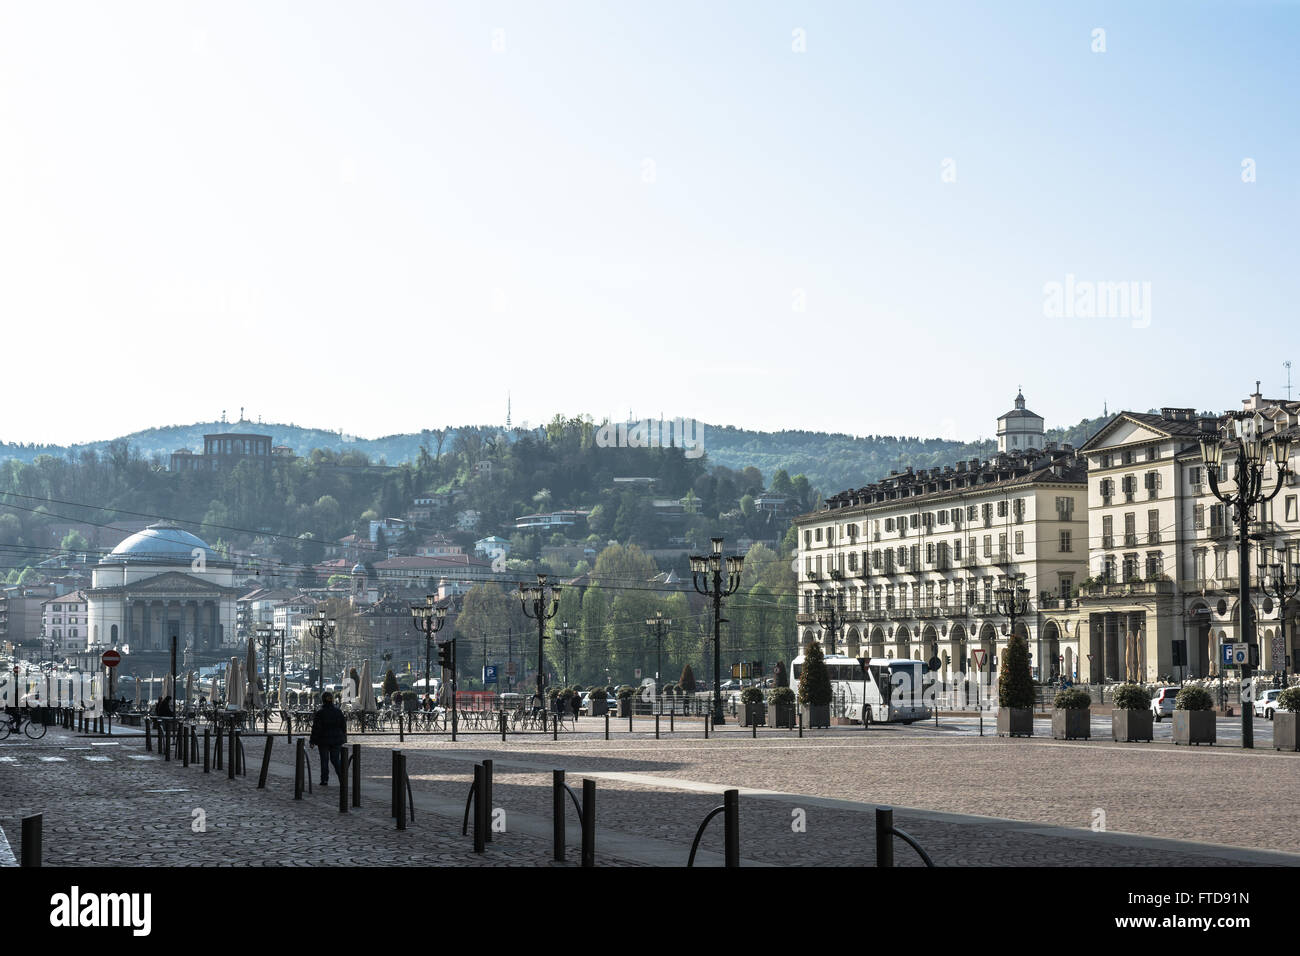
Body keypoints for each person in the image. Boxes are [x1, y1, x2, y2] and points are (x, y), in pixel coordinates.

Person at [309, 691, 347, 786]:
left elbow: (316, 728)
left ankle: (324, 779)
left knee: (324, 760)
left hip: (323, 739)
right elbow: (343, 726)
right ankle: (342, 778)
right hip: (336, 739)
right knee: (336, 760)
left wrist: (312, 740)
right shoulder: (338, 711)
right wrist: (343, 737)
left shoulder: (320, 712)